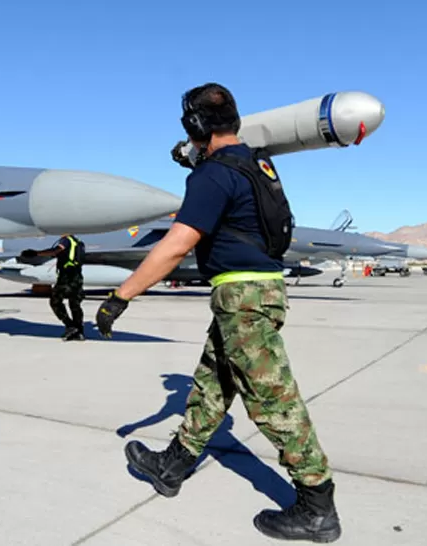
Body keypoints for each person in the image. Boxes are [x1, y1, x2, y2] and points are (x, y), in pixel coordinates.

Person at [94, 83, 341, 543]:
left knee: (274, 401)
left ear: (194, 125)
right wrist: (196, 159)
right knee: (211, 385)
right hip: (255, 293)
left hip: (242, 299)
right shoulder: (257, 164)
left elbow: (177, 245)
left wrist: (121, 295)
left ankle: (317, 505)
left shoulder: (210, 176)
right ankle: (172, 466)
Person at [21, 234, 86, 340]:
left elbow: (56, 250)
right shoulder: (78, 242)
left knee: (55, 302)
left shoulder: (66, 240)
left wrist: (36, 253)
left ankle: (70, 326)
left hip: (66, 277)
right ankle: (79, 332)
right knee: (75, 305)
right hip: (77, 277)